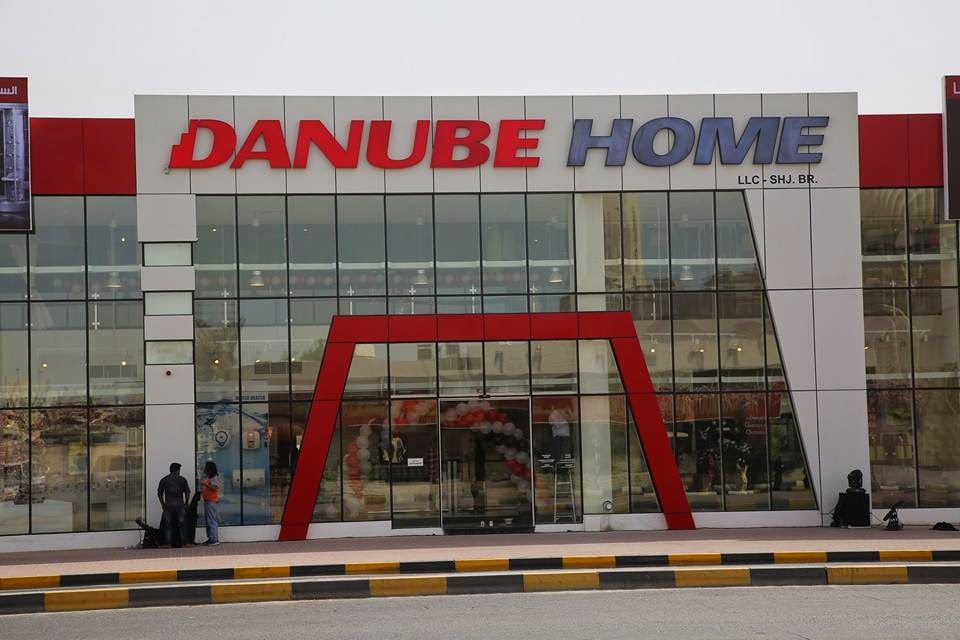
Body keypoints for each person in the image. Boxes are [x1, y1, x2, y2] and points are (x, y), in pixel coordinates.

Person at [157, 462, 191, 548]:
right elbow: (187, 492)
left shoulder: (164, 479)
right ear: (178, 470)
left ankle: (168, 543)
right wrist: (186, 503)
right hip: (180, 504)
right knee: (182, 524)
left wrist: (162, 504)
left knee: (168, 525)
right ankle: (185, 543)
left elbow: (160, 493)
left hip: (168, 505)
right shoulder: (182, 479)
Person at [199, 460, 222, 546]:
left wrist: (206, 484)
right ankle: (210, 538)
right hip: (207, 500)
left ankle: (214, 539)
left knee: (212, 520)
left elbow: (215, 488)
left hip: (211, 501)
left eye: (206, 467)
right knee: (208, 520)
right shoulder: (209, 477)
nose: (204, 469)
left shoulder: (215, 477)